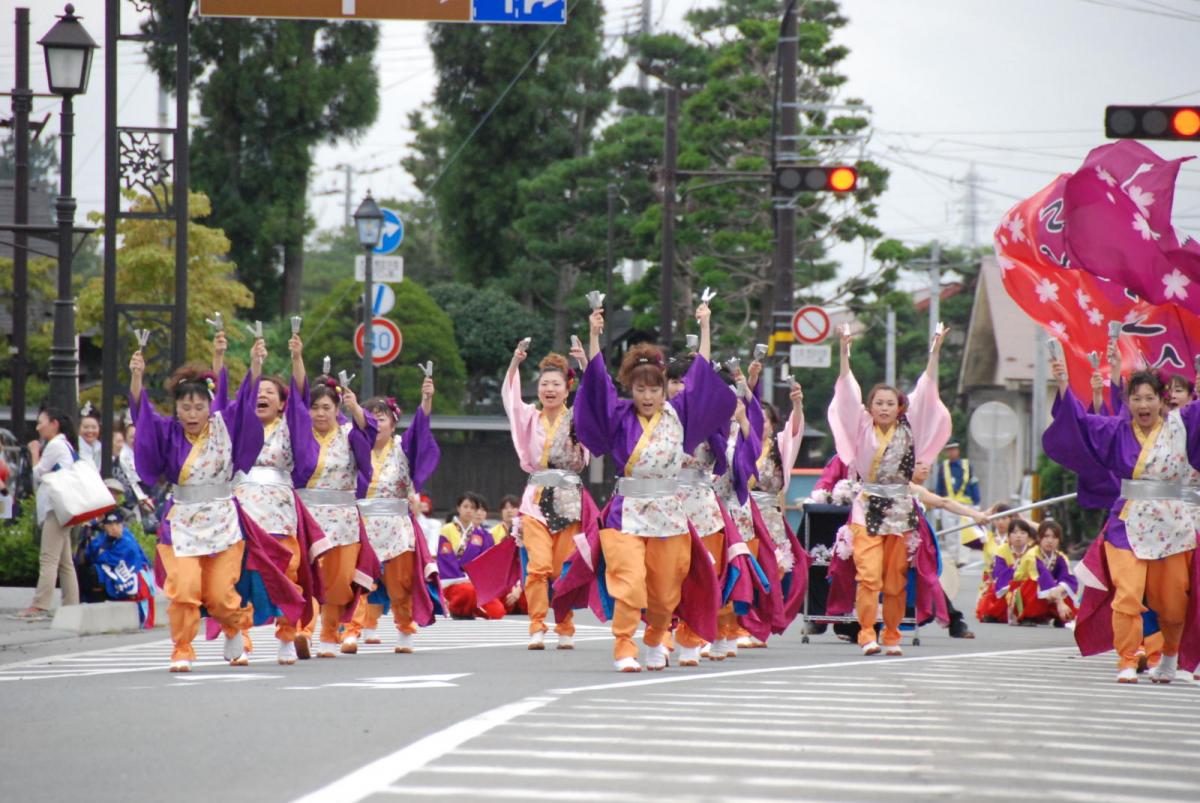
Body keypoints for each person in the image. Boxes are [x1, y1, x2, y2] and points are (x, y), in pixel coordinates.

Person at [573, 303, 734, 672]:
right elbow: (597, 386)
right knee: (629, 581)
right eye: (640, 389)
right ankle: (624, 645)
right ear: (631, 389)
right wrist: (595, 335)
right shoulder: (619, 417)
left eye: (654, 389)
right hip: (626, 511)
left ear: (664, 391)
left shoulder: (681, 415)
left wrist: (705, 326)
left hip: (669, 513)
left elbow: (702, 379)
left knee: (665, 593)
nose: (647, 396)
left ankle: (655, 637)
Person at [129, 340, 304, 672]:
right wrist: (137, 379)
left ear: (210, 406)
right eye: (185, 407)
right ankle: (182, 648)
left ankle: (233, 625)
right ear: (176, 408)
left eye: (199, 407)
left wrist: (254, 365)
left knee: (222, 595)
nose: (192, 414)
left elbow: (245, 401)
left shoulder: (226, 426)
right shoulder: (168, 432)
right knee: (184, 587)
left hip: (223, 520)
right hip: (182, 521)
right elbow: (144, 418)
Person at [1045, 358, 1200, 683]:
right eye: (1136, 398)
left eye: (1149, 398)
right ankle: (1127, 658)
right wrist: (1062, 382)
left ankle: (1169, 656)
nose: (1143, 405)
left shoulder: (1181, 424)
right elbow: (1079, 424)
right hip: (1127, 521)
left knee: (1172, 603)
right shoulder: (1115, 429)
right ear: (1127, 402)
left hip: (1172, 523)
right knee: (1127, 592)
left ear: (1163, 398)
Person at [826, 324, 952, 656]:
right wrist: (843, 351)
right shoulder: (862, 425)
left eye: (890, 403)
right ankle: (867, 632)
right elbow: (846, 393)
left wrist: (935, 351)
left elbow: (927, 391)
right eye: (878, 402)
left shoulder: (911, 428)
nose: (883, 408)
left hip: (900, 508)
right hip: (867, 505)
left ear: (900, 408)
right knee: (869, 575)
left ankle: (892, 633)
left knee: (895, 579)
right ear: (869, 408)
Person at [214, 329, 322, 665]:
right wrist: (253, 365)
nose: (262, 395)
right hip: (242, 508)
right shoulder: (239, 424)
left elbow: (303, 399)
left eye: (269, 392)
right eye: (258, 391)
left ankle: (287, 635)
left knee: (285, 572)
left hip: (278, 509)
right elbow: (222, 401)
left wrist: (296, 359)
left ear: (280, 402)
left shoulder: (290, 425)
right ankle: (238, 634)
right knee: (239, 574)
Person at [499, 344, 592, 650]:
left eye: (556, 384)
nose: (549, 390)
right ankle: (537, 624)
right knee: (537, 567)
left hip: (569, 500)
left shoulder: (579, 416)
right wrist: (515, 362)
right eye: (544, 384)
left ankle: (564, 625)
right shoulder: (529, 418)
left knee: (563, 567)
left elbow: (598, 399)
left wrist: (585, 361)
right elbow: (510, 399)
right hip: (536, 500)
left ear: (568, 388)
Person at [347, 382, 442, 655]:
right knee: (358, 580)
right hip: (362, 523)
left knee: (401, 583)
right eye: (370, 417)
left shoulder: (403, 447)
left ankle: (404, 628)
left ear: (393, 422)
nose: (376, 422)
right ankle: (352, 631)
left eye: (382, 417)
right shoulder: (352, 446)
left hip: (397, 524)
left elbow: (421, 432)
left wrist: (426, 400)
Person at [293, 372, 380, 659]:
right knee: (307, 576)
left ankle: (330, 635)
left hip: (343, 518)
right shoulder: (299, 435)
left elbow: (370, 434)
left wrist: (355, 408)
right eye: (314, 407)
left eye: (326, 407)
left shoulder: (349, 434)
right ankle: (303, 631)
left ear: (337, 409)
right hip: (308, 517)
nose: (320, 413)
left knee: (338, 581)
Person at [21, 408, 81, 619]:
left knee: (48, 558)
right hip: (65, 507)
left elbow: (38, 473)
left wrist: (34, 452)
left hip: (56, 508)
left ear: (54, 424)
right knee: (65, 562)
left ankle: (40, 604)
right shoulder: (65, 444)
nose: (38, 427)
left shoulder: (55, 444)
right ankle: (71, 605)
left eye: (41, 422)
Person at [438, 493, 506, 620]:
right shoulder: (447, 530)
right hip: (454, 582)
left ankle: (469, 609)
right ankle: (455, 608)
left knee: (497, 611)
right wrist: (464, 578)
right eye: (465, 506)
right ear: (459, 508)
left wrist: (477, 580)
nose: (469, 510)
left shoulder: (480, 534)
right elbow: (446, 559)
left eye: (473, 508)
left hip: (475, 583)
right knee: (467, 591)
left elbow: (486, 562)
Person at [82, 510, 153, 610]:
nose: (114, 527)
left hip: (132, 575)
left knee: (94, 572)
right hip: (112, 572)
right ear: (104, 526)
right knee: (84, 570)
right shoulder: (104, 536)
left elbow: (106, 559)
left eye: (117, 524)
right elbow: (90, 555)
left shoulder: (126, 538)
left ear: (121, 525)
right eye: (110, 524)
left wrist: (103, 549)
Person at [975, 503, 1013, 623]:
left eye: (1004, 518)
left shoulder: (1018, 537)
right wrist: (986, 513)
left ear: (1011, 519)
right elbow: (967, 523)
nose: (1000, 522)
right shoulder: (986, 537)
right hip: (991, 580)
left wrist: (1020, 518)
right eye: (997, 518)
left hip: (1010, 579)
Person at [77, 402, 103, 471]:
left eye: (94, 427)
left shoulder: (100, 447)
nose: (90, 431)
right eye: (86, 427)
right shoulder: (75, 447)